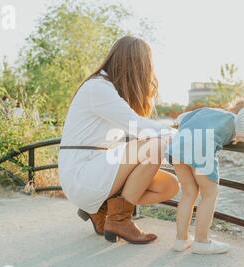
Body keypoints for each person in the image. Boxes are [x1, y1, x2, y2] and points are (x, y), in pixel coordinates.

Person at [59, 36, 179, 245]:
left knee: (169, 186)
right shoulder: (98, 88)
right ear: (135, 65)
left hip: (93, 171)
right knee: (155, 145)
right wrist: (179, 134)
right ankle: (119, 220)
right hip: (82, 173)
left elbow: (131, 133)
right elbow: (136, 125)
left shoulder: (108, 89)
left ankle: (103, 209)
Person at [166, 95, 244, 254]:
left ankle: (181, 240)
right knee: (209, 194)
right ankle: (201, 242)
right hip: (200, 149)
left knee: (188, 194)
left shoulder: (209, 112)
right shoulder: (240, 117)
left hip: (178, 147)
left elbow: (183, 119)